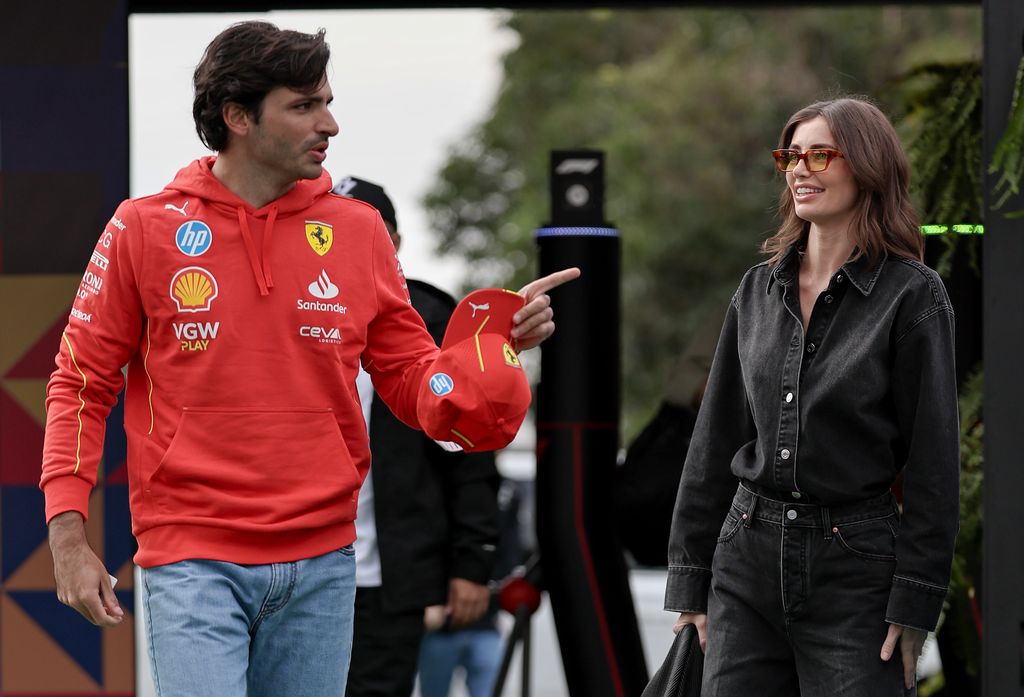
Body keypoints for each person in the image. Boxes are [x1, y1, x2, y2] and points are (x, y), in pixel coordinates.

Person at [40, 21, 578, 697]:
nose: (331, 124)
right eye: (304, 106)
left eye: (327, 100)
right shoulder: (143, 228)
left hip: (324, 562)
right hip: (193, 558)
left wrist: (490, 347)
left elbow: (414, 382)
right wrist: (67, 535)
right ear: (237, 116)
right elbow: (80, 384)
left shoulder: (358, 230)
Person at [664, 96, 959, 696]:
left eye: (820, 154)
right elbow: (714, 440)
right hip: (745, 559)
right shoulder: (756, 290)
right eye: (791, 156)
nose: (800, 169)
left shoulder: (913, 295)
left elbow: (934, 462)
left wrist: (916, 601)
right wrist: (690, 581)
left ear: (868, 166)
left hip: (856, 567)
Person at [332, 175, 500, 697]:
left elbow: (470, 455)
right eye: (333, 231)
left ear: (396, 243)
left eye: (369, 231)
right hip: (301, 575)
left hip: (391, 578)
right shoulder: (292, 319)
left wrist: (472, 563)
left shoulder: (431, 320)